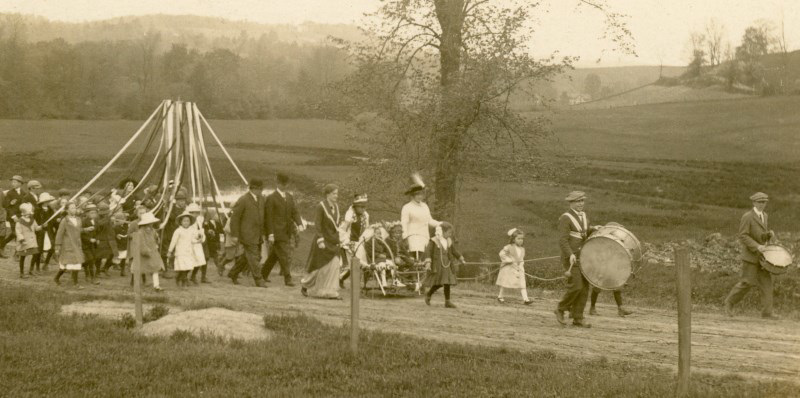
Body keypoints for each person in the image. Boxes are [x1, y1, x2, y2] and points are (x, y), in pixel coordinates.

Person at [724, 192, 779, 320]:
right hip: (750, 256)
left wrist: (768, 235)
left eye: (764, 202)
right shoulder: (747, 217)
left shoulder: (765, 216)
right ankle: (729, 302)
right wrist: (757, 246)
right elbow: (743, 235)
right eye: (759, 202)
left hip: (763, 258)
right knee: (747, 282)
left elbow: (760, 235)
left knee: (767, 283)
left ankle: (767, 312)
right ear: (754, 203)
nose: (762, 204)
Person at [554, 191, 597, 328]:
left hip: (583, 257)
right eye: (577, 201)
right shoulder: (565, 218)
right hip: (571, 259)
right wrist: (570, 254)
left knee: (584, 288)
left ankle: (578, 317)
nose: (580, 204)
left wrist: (593, 229)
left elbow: (582, 233)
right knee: (576, 286)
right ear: (570, 203)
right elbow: (563, 240)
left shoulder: (584, 216)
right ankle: (561, 308)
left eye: (582, 201)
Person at [301, 184, 343, 299]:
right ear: (328, 194)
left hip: (333, 241)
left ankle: (331, 291)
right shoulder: (321, 206)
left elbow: (337, 225)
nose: (336, 196)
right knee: (319, 267)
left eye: (337, 193)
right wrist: (320, 240)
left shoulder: (336, 207)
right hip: (323, 241)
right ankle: (305, 285)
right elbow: (318, 225)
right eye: (334, 193)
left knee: (334, 265)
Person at [262, 173, 303, 286]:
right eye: (281, 183)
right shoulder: (271, 198)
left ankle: (262, 274)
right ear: (277, 183)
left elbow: (294, 212)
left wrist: (299, 223)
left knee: (274, 256)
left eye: (285, 184)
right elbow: (268, 217)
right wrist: (270, 233)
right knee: (284, 254)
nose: (284, 186)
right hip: (276, 233)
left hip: (286, 232)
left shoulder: (289, 197)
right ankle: (287, 278)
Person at [228, 179, 267, 288]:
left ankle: (233, 273)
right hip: (247, 235)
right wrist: (235, 235)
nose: (261, 191)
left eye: (261, 189)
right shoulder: (243, 200)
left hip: (257, 234)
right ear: (253, 189)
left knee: (248, 256)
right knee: (254, 257)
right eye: (259, 189)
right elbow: (234, 218)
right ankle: (258, 280)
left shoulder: (261, 199)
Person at [401, 174, 442, 261]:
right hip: (413, 237)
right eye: (417, 194)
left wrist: (440, 224)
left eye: (421, 194)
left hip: (424, 237)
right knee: (415, 259)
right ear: (412, 195)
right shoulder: (407, 207)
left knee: (425, 259)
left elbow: (429, 221)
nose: (420, 196)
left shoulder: (425, 206)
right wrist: (405, 238)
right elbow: (404, 224)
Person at [423, 222, 464, 308]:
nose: (450, 234)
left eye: (451, 233)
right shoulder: (434, 241)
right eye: (449, 232)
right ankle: (429, 293)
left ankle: (447, 301)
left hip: (447, 264)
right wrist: (428, 261)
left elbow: (453, 251)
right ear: (442, 232)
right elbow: (428, 251)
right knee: (440, 282)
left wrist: (460, 257)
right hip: (438, 264)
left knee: (447, 282)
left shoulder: (448, 241)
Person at [338, 193, 369, 288]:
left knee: (364, 264)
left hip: (359, 242)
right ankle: (341, 278)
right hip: (349, 242)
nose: (363, 209)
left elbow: (366, 228)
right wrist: (345, 242)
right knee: (353, 264)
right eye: (361, 207)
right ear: (355, 206)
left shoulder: (366, 215)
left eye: (364, 206)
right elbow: (342, 229)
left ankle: (363, 285)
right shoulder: (349, 214)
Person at [496, 228, 533, 305]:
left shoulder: (522, 249)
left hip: (519, 269)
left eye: (522, 239)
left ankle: (526, 299)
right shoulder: (508, 247)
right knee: (505, 283)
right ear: (513, 239)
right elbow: (502, 254)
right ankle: (500, 296)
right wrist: (508, 259)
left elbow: (521, 258)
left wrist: (521, 264)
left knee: (522, 284)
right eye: (518, 238)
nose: (520, 240)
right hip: (509, 268)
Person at [130, 211, 164, 292]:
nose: (150, 225)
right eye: (148, 224)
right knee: (138, 269)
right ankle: (135, 283)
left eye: (151, 223)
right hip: (143, 254)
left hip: (153, 253)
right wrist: (146, 251)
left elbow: (155, 239)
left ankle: (156, 286)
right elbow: (141, 243)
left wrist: (157, 239)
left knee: (155, 268)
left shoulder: (153, 231)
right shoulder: (140, 233)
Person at [54, 202, 85, 289]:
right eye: (71, 208)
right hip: (68, 245)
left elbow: (78, 230)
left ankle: (74, 283)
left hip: (77, 244)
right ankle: (58, 278)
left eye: (75, 208)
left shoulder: (79, 219)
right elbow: (59, 234)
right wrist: (57, 246)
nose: (74, 210)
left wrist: (86, 229)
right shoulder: (64, 221)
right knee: (66, 264)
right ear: (67, 210)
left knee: (76, 263)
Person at [168, 211, 200, 287]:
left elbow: (192, 240)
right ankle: (184, 282)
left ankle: (178, 277)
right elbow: (173, 241)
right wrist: (170, 251)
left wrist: (198, 240)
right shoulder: (178, 231)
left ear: (190, 222)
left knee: (188, 267)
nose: (186, 223)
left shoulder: (191, 230)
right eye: (184, 221)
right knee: (182, 267)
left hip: (188, 252)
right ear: (181, 222)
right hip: (180, 252)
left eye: (187, 221)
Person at [15, 203, 41, 278]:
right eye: (29, 213)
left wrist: (41, 227)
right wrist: (22, 240)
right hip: (24, 242)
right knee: (23, 257)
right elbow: (18, 232)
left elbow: (36, 228)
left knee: (36, 254)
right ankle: (21, 273)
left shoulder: (32, 220)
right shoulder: (19, 222)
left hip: (32, 241)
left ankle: (31, 270)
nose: (30, 214)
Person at [33, 192, 57, 272]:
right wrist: (42, 225)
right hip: (40, 232)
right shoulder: (38, 211)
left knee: (52, 248)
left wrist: (57, 221)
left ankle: (46, 263)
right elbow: (35, 221)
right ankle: (36, 267)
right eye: (46, 201)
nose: (47, 203)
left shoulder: (50, 210)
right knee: (39, 250)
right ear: (42, 202)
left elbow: (53, 221)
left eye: (48, 201)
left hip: (49, 232)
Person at [2, 175, 26, 252]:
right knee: (15, 233)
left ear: (20, 183)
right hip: (12, 217)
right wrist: (13, 216)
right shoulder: (9, 193)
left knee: (18, 233)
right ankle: (2, 245)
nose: (12, 184)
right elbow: (6, 206)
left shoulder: (24, 193)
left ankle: (16, 251)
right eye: (12, 182)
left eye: (14, 182)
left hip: (21, 216)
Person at [187, 203, 209, 284]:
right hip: (191, 244)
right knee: (189, 261)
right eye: (194, 212)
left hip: (198, 243)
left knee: (200, 260)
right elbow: (189, 233)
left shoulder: (199, 220)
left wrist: (201, 237)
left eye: (197, 212)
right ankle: (183, 276)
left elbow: (201, 229)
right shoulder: (187, 221)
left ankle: (193, 276)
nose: (196, 214)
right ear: (190, 213)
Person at [95, 203, 119, 277]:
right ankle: (97, 271)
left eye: (106, 213)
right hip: (102, 239)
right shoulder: (97, 218)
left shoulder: (109, 217)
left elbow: (111, 227)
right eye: (104, 213)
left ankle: (105, 268)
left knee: (113, 255)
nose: (105, 214)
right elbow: (99, 225)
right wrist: (108, 218)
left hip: (111, 239)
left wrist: (114, 223)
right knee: (99, 257)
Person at [80, 203, 100, 285]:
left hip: (93, 244)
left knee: (92, 259)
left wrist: (97, 239)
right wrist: (89, 239)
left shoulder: (96, 221)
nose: (94, 214)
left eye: (95, 213)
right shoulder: (83, 222)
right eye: (92, 213)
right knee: (90, 260)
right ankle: (92, 277)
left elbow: (98, 232)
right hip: (85, 244)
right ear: (86, 213)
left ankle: (88, 274)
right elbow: (81, 234)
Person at [112, 211, 129, 277]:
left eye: (124, 219)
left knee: (123, 258)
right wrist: (116, 235)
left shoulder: (125, 226)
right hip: (118, 244)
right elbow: (113, 234)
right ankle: (107, 268)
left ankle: (123, 270)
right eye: (122, 219)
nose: (124, 221)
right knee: (116, 258)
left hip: (124, 244)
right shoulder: (115, 227)